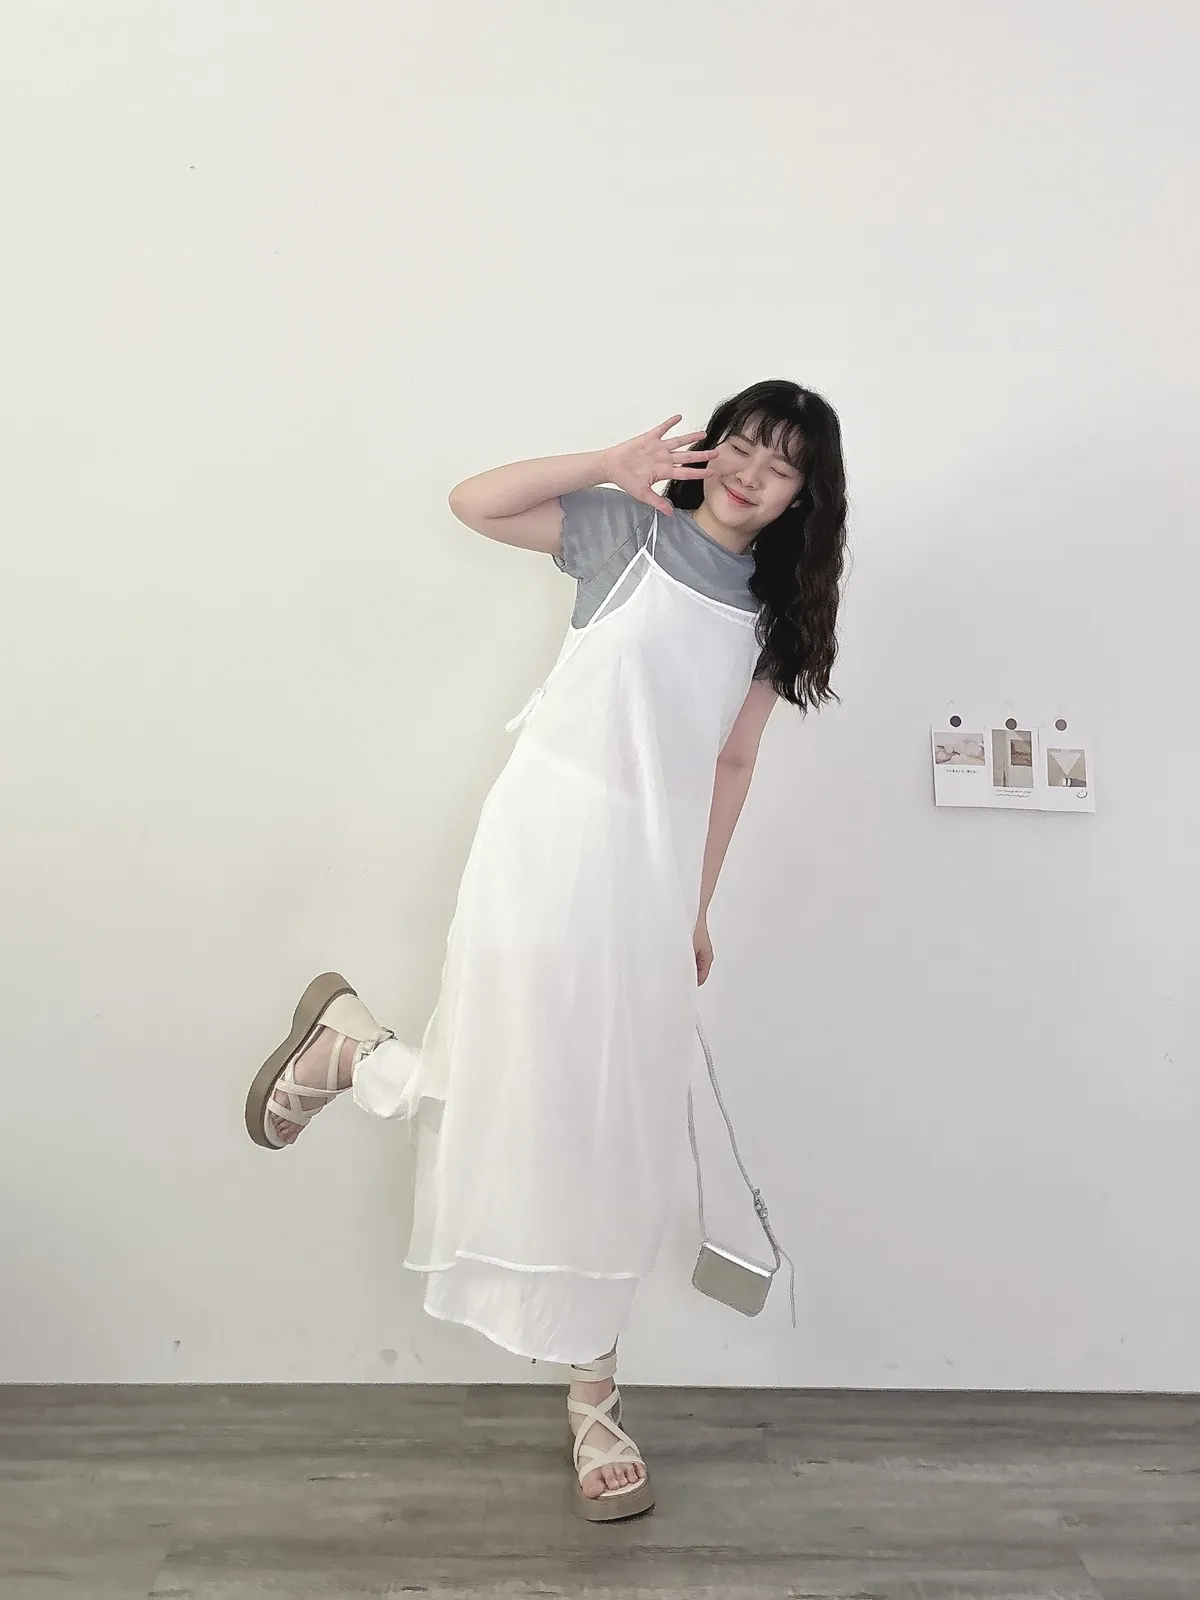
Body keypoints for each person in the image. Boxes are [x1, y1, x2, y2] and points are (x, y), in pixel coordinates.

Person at [242, 378, 848, 1521]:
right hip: (546, 837)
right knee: (511, 1079)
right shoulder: (631, 532)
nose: (751, 473)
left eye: (783, 467)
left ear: (800, 500)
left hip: (649, 878)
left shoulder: (772, 616)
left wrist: (697, 907)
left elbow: (731, 763)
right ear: (711, 446)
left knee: (610, 1120)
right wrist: (604, 464)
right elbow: (474, 503)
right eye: (744, 445)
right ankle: (362, 1065)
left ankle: (588, 1389)